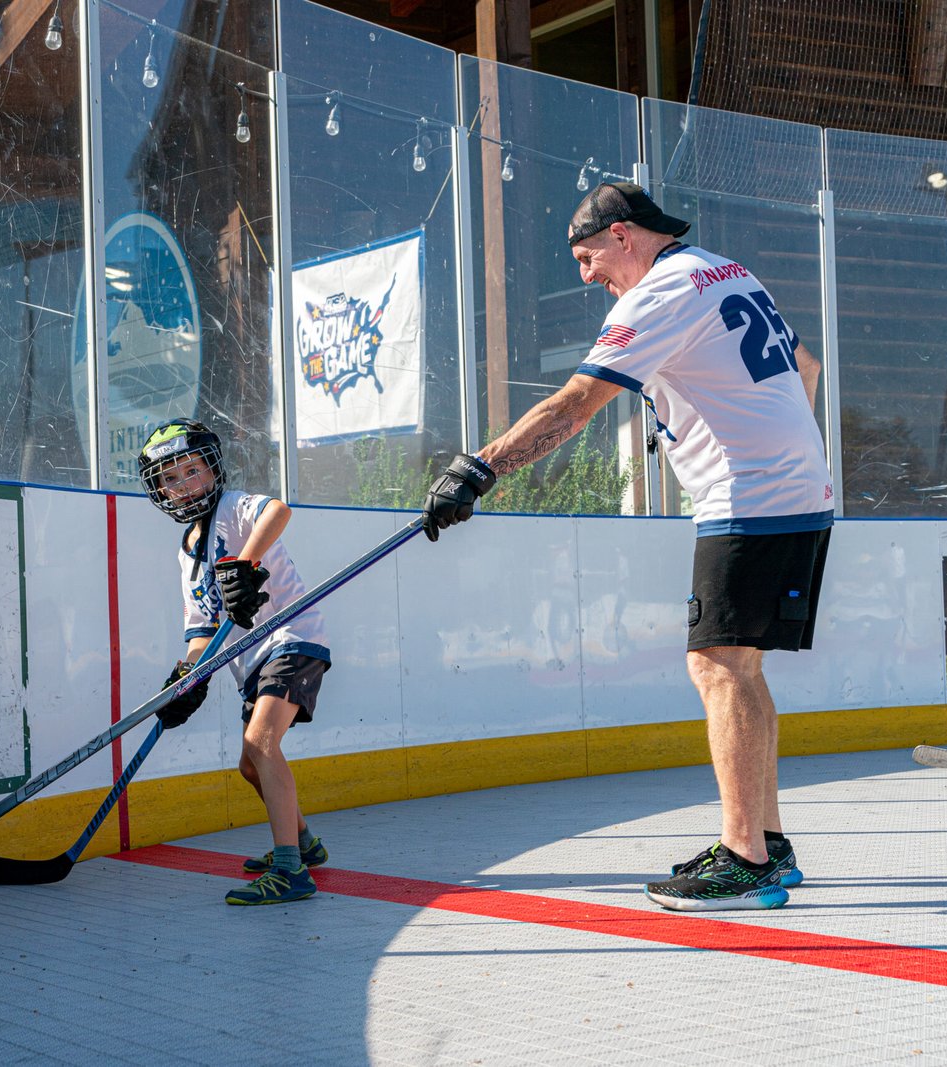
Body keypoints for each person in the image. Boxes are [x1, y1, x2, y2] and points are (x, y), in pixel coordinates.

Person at [422, 183, 832, 912]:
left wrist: (480, 469)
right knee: (739, 665)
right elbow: (806, 368)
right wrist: (773, 439)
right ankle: (767, 843)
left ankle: (745, 858)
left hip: (751, 497)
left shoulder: (658, 293)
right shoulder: (725, 270)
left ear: (622, 235)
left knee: (716, 666)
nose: (588, 276)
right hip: (795, 490)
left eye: (588, 258)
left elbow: (575, 406)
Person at [139, 419, 333, 906]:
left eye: (192, 471)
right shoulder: (187, 555)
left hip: (292, 637)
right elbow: (201, 630)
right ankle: (304, 843)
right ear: (160, 491)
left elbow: (278, 511)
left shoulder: (234, 508)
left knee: (260, 741)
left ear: (212, 469)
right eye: (171, 478)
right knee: (250, 765)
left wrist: (244, 562)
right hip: (254, 660)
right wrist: (189, 677)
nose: (184, 484)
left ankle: (290, 870)